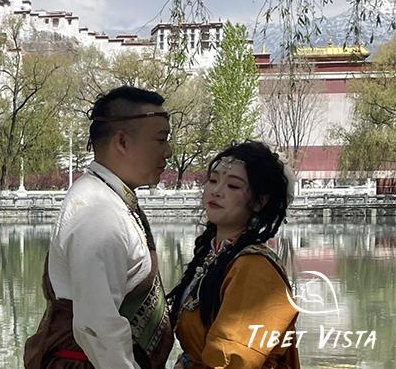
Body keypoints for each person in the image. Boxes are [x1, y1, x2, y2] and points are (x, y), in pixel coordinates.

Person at [24, 86, 174, 369]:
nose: (168, 151)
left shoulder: (107, 198)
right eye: (160, 139)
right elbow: (97, 326)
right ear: (122, 142)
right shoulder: (98, 213)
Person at [167, 141, 300, 369]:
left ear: (260, 201)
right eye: (213, 180)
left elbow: (233, 360)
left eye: (234, 186)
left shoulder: (255, 268)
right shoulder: (214, 256)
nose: (216, 191)